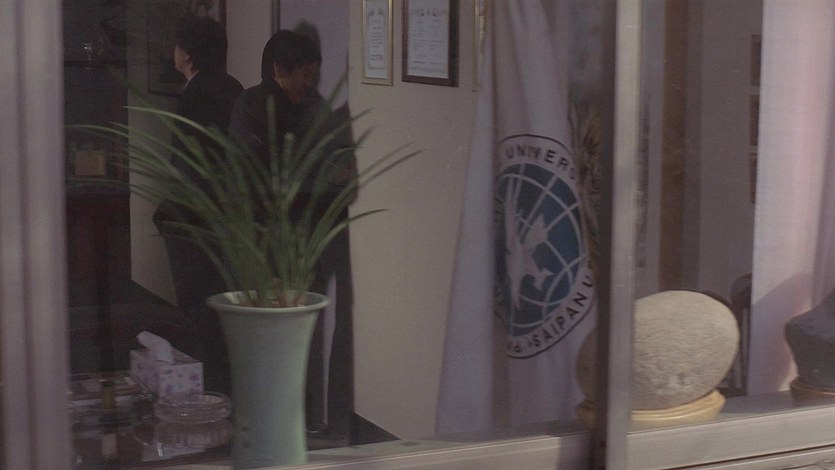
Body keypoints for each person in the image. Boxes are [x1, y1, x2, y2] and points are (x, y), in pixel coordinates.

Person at [228, 29, 356, 440]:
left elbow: (331, 169)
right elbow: (250, 171)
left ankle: (304, 416)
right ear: (277, 70)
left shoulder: (316, 107)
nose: (308, 82)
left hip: (307, 239)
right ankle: (265, 416)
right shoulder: (251, 105)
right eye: (302, 73)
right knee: (266, 329)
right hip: (262, 237)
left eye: (313, 73)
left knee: (304, 330)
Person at [153, 15, 244, 395]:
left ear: (187, 54)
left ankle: (210, 394)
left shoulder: (193, 97)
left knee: (199, 310)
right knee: (224, 307)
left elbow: (186, 166)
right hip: (232, 217)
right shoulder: (233, 88)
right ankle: (227, 393)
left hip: (197, 219)